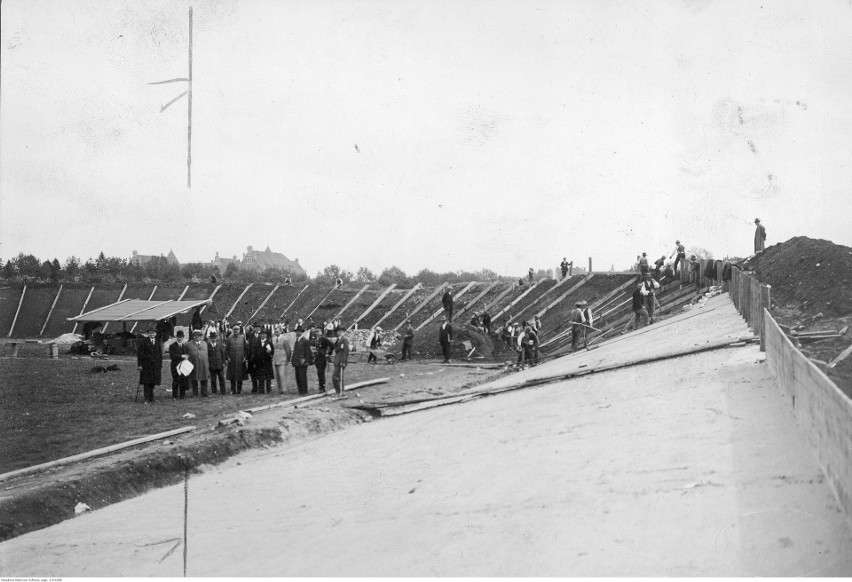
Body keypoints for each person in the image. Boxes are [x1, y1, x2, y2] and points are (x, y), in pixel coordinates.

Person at [136, 328, 162, 403]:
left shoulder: (157, 342)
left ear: (155, 334)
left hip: (155, 366)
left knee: (153, 382)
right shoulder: (143, 342)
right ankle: (146, 398)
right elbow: (139, 354)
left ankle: (151, 398)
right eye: (150, 333)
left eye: (153, 333)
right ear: (148, 334)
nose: (151, 334)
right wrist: (139, 365)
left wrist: (159, 365)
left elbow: (160, 355)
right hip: (146, 365)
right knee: (146, 382)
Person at [186, 329, 210, 397]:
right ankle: (195, 393)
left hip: (204, 364)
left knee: (204, 378)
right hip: (194, 364)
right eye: (195, 335)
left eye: (199, 335)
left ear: (201, 336)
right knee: (194, 378)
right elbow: (186, 354)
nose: (197, 337)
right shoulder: (188, 344)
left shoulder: (205, 343)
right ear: (193, 336)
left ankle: (204, 393)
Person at [291, 325, 314, 395]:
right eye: (297, 332)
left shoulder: (305, 341)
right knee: (297, 376)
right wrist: (293, 361)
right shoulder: (296, 341)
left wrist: (307, 361)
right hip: (297, 362)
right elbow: (295, 352)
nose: (298, 333)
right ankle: (300, 391)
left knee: (302, 376)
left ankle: (304, 391)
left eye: (299, 332)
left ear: (302, 332)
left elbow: (308, 352)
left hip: (302, 361)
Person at [225, 325, 248, 394]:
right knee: (232, 375)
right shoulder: (229, 338)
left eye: (237, 329)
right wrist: (228, 357)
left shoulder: (242, 338)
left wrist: (245, 357)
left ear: (239, 330)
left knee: (240, 375)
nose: (236, 331)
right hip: (232, 360)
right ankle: (232, 390)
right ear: (232, 330)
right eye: (234, 329)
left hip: (240, 360)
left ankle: (239, 390)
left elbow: (246, 349)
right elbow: (226, 349)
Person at [168, 330, 190, 399]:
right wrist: (181, 356)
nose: (179, 338)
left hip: (183, 366)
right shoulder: (172, 346)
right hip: (175, 366)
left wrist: (187, 357)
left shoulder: (184, 346)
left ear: (183, 337)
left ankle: (182, 395)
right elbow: (172, 356)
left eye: (181, 337)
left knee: (183, 380)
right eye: (178, 337)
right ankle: (175, 395)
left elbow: (186, 355)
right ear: (176, 337)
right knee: (175, 380)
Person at [253, 329, 274, 394]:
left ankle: (268, 390)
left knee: (268, 377)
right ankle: (261, 390)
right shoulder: (257, 343)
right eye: (261, 334)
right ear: (260, 335)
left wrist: (270, 353)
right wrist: (254, 362)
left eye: (264, 334)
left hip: (267, 362)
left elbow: (272, 351)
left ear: (266, 335)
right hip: (259, 363)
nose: (262, 335)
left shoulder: (269, 342)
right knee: (260, 377)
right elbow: (255, 353)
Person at [272, 329, 293, 394]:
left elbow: (288, 350)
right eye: (275, 332)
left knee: (282, 375)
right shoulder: (274, 339)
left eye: (277, 331)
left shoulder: (284, 339)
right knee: (277, 375)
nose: (276, 333)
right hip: (276, 359)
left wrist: (288, 359)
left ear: (281, 331)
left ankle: (284, 389)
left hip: (283, 359)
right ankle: (280, 389)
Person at [332, 326, 350, 395]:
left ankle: (339, 391)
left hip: (341, 361)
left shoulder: (344, 339)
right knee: (339, 376)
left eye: (341, 331)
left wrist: (343, 361)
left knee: (335, 377)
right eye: (338, 331)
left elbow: (346, 351)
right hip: (337, 360)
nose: (339, 333)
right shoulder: (338, 339)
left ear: (343, 332)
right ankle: (340, 391)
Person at [207, 331, 227, 395]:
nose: (213, 339)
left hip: (219, 364)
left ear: (216, 338)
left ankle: (223, 391)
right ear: (210, 339)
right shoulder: (208, 346)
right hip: (212, 365)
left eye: (214, 338)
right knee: (213, 380)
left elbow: (223, 354)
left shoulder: (219, 345)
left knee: (221, 378)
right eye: (212, 338)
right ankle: (214, 392)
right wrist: (208, 364)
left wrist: (224, 362)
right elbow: (207, 356)